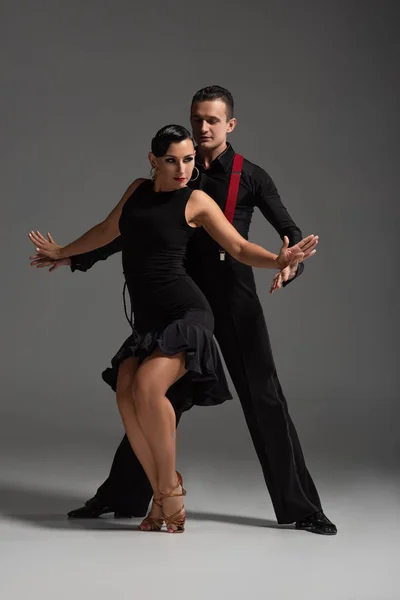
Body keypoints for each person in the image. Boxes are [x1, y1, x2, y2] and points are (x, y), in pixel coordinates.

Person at [31, 85, 337, 535]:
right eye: (198, 118)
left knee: (264, 397)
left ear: (230, 125)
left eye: (213, 120)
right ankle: (123, 494)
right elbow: (133, 229)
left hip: (232, 298)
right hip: (180, 298)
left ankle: (304, 507)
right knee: (149, 394)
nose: (204, 126)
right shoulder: (178, 171)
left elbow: (284, 235)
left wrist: (288, 267)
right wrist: (74, 255)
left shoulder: (250, 176)